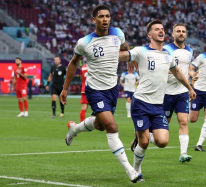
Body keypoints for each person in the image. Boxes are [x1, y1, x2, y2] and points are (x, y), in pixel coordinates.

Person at [60, 4, 142, 183]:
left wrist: (130, 58)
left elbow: (124, 45)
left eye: (107, 16)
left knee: (99, 124)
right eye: (101, 16)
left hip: (112, 89)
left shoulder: (118, 34)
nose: (105, 19)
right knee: (112, 127)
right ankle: (131, 171)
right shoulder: (84, 42)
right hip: (95, 90)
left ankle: (74, 129)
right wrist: (65, 88)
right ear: (94, 20)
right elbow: (74, 63)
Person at [119, 19, 196, 180]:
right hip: (140, 103)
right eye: (156, 29)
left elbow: (177, 73)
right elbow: (124, 56)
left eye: (162, 29)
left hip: (158, 106)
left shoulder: (168, 55)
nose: (161, 31)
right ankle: (136, 170)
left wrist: (189, 88)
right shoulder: (141, 51)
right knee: (144, 143)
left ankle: (142, 135)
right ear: (149, 34)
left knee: (162, 142)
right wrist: (114, 52)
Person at [162, 23, 194, 163]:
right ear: (173, 34)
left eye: (183, 31)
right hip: (166, 92)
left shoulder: (190, 51)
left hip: (182, 92)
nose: (181, 33)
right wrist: (169, 71)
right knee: (164, 124)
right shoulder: (166, 49)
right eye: (178, 31)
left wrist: (192, 77)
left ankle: (183, 153)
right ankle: (141, 136)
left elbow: (187, 69)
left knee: (183, 122)